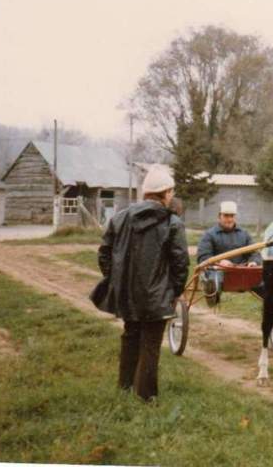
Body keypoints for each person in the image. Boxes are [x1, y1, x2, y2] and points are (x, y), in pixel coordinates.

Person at [91, 165, 189, 402]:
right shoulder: (172, 222)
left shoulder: (120, 217)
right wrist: (175, 291)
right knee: (151, 343)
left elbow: (104, 253)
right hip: (156, 296)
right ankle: (146, 398)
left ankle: (125, 389)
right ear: (165, 193)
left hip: (126, 293)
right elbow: (180, 263)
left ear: (146, 193)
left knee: (130, 336)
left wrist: (116, 280)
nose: (172, 196)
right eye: (171, 192)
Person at [197, 201, 262, 304]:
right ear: (219, 216)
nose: (229, 219)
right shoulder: (209, 235)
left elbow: (254, 253)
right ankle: (212, 294)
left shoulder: (244, 234)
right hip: (219, 271)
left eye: (232, 216)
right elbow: (203, 256)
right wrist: (219, 262)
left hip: (242, 272)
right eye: (226, 216)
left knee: (264, 277)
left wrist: (254, 262)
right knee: (214, 276)